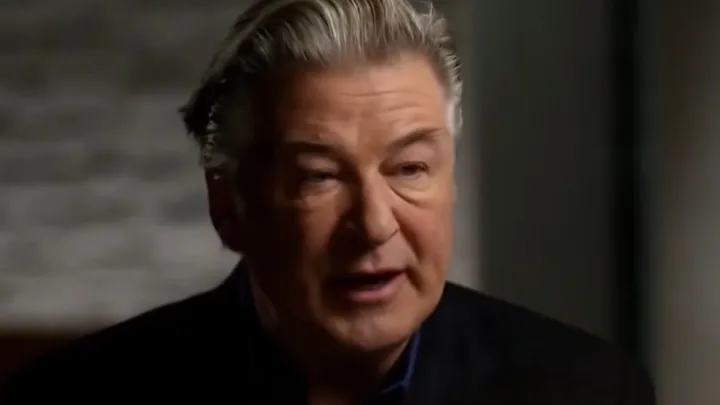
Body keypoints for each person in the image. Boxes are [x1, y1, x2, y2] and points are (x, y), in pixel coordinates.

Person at [2, 0, 655, 404]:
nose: (373, 224)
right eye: (319, 177)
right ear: (229, 206)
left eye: (410, 168)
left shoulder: (586, 389)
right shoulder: (73, 396)